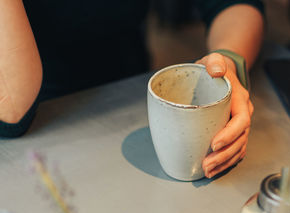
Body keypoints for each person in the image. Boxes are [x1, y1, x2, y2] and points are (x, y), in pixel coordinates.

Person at [0, 0, 264, 178]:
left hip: (133, 95)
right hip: (41, 125)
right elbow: (13, 113)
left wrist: (227, 60)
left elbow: (233, 5)